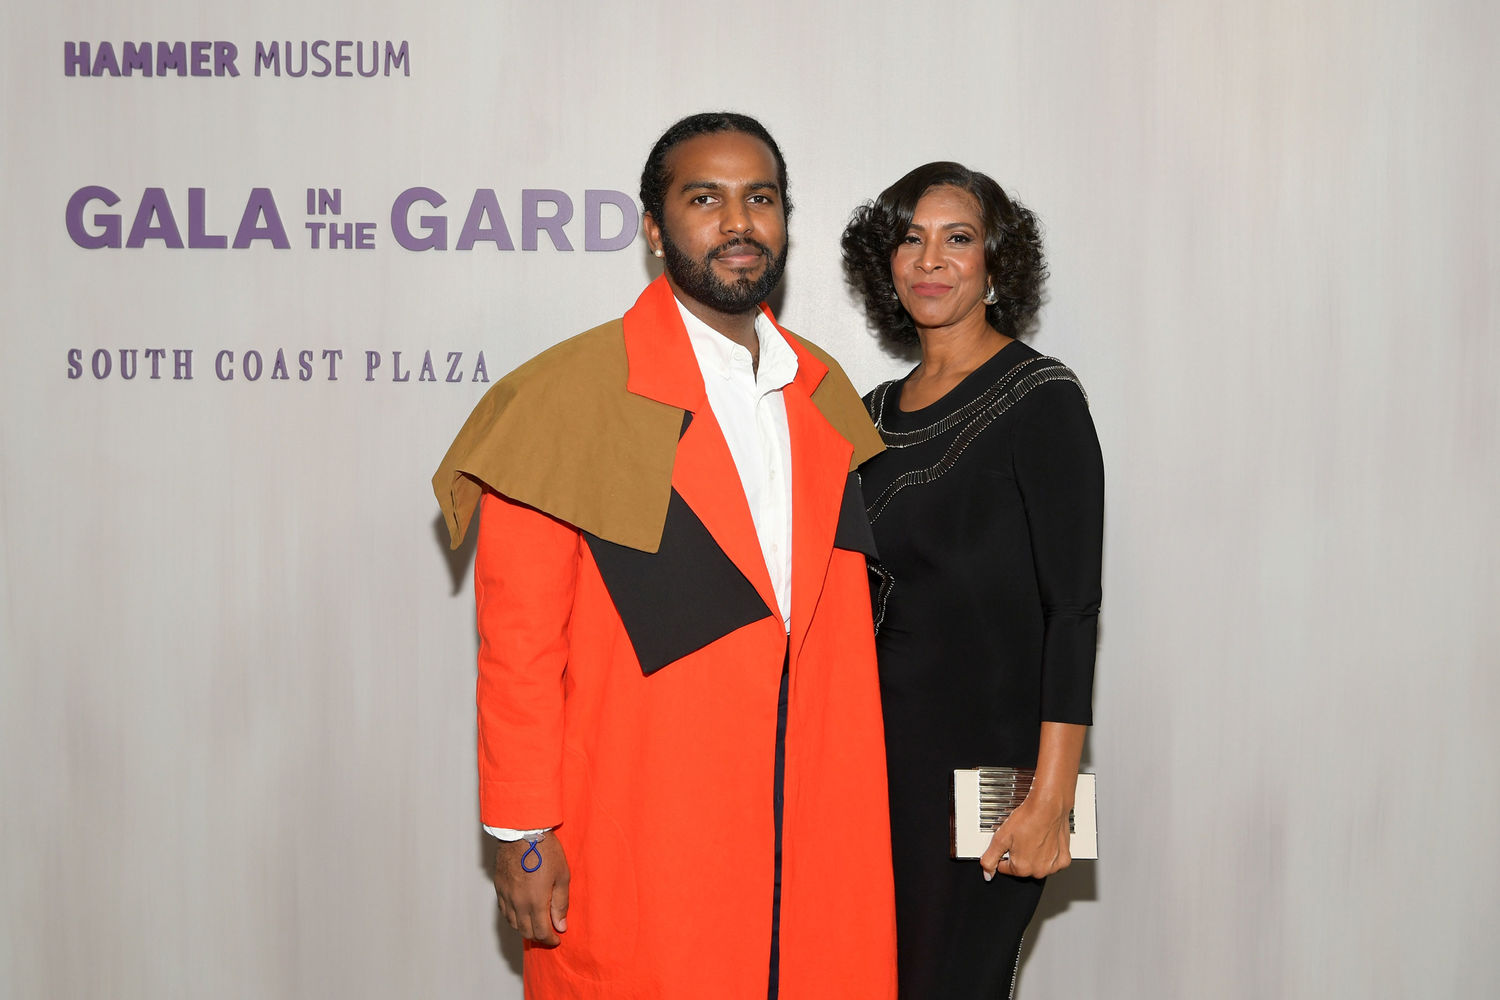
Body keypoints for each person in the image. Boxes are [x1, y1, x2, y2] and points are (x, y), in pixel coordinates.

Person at [433, 112, 897, 999]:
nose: (738, 223)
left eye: (759, 199)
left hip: (815, 840)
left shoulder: (825, 391)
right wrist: (523, 833)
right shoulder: (566, 398)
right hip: (645, 832)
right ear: (654, 229)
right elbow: (519, 645)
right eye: (704, 199)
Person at [841, 162, 1104, 998]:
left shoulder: (1042, 398)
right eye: (910, 240)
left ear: (996, 263)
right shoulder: (867, 412)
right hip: (870, 769)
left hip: (989, 781)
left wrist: (1052, 798)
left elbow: (1073, 610)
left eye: (957, 239)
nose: (930, 260)